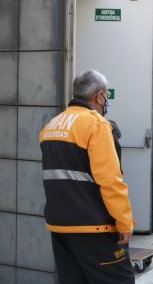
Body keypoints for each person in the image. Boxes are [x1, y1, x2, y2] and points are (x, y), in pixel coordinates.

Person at [40, 70, 135, 283]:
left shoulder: (51, 126)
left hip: (60, 225)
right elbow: (111, 181)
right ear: (99, 96)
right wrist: (124, 223)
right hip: (94, 227)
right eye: (105, 97)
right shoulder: (96, 125)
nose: (105, 102)